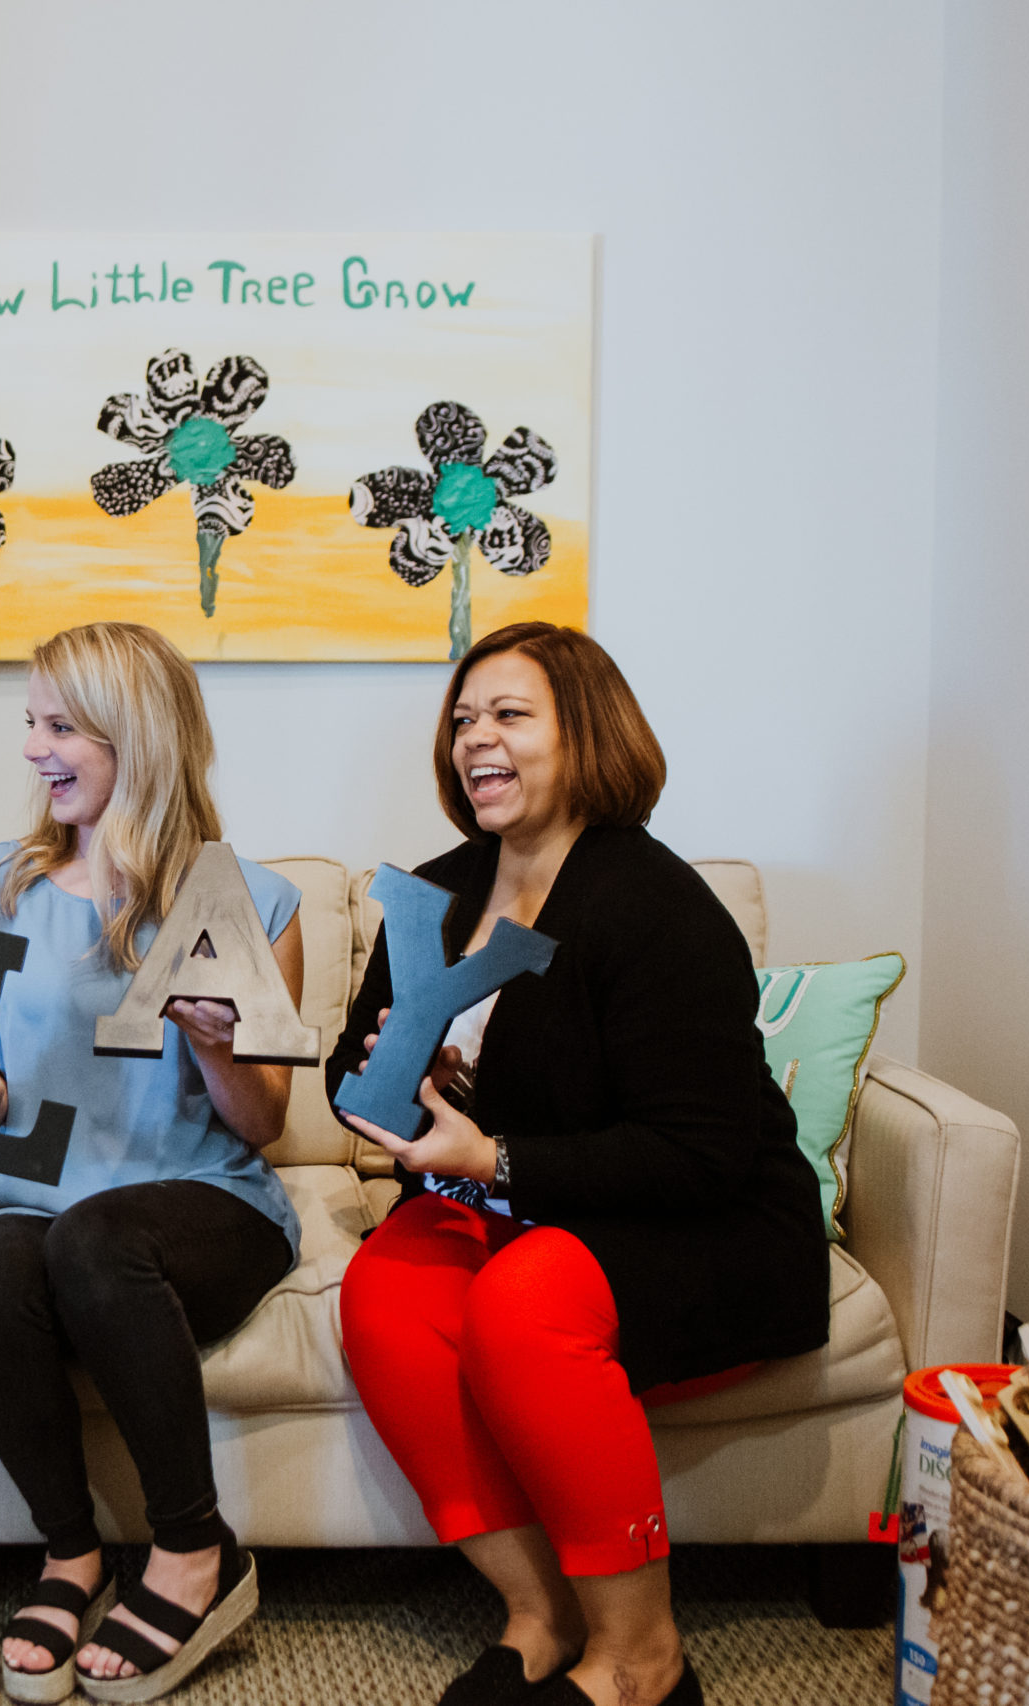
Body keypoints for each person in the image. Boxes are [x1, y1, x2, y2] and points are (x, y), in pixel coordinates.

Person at [329, 622, 828, 1706]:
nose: (476, 740)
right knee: (382, 1291)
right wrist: (393, 1082)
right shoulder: (440, 889)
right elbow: (353, 1069)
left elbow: (699, 1150)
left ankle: (643, 1658)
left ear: (585, 733)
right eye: (462, 719)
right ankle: (538, 1611)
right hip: (524, 1201)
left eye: (509, 715)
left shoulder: (657, 906)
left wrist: (493, 1154)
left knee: (520, 1301)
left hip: (705, 1216)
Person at [0, 622, 300, 1704]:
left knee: (97, 1235)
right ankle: (71, 1549)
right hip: (35, 1191)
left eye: (61, 725)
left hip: (203, 1199)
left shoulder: (248, 901)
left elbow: (262, 1122)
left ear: (137, 736)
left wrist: (218, 1041)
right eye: (29, 722)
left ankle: (192, 1547)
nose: (35, 748)